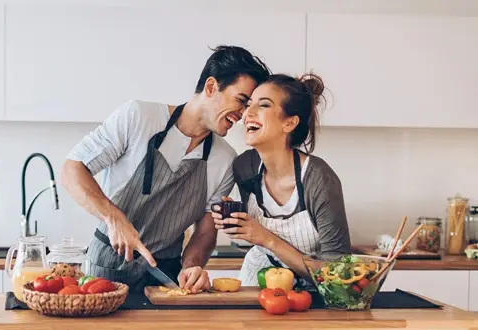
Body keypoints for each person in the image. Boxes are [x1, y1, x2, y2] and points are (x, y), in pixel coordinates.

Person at [62, 45, 272, 293]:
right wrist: (113, 218)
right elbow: (72, 168)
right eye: (241, 101)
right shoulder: (139, 117)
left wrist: (192, 267)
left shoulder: (225, 159)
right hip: (106, 271)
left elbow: (205, 230)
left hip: (167, 277)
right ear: (211, 87)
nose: (243, 114)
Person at [212, 73, 352, 287]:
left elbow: (338, 274)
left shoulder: (318, 179)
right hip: (257, 280)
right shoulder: (244, 166)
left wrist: (265, 238)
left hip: (313, 292)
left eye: (264, 105)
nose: (248, 112)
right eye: (249, 104)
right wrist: (235, 221)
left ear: (290, 123)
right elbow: (249, 227)